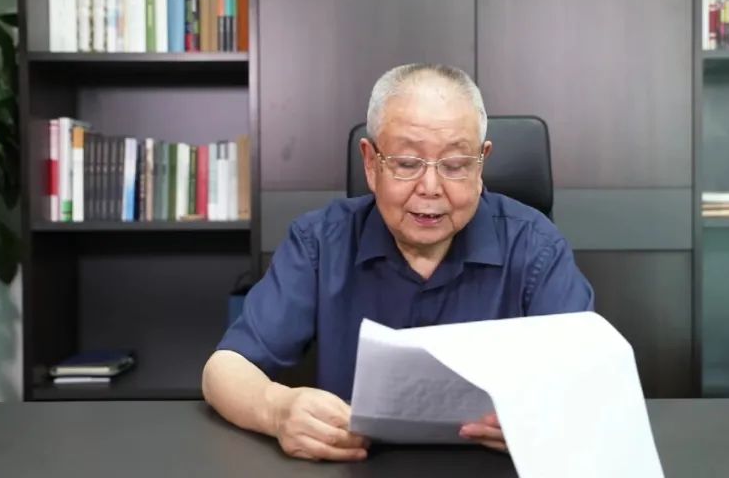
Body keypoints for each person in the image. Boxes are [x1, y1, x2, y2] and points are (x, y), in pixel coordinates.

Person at [202, 63, 595, 461]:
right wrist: (276, 409)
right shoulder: (320, 243)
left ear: (481, 164)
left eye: (455, 165)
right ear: (371, 163)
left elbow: (589, 381)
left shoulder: (535, 247)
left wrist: (546, 417)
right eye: (407, 163)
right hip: (352, 464)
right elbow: (225, 368)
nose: (430, 188)